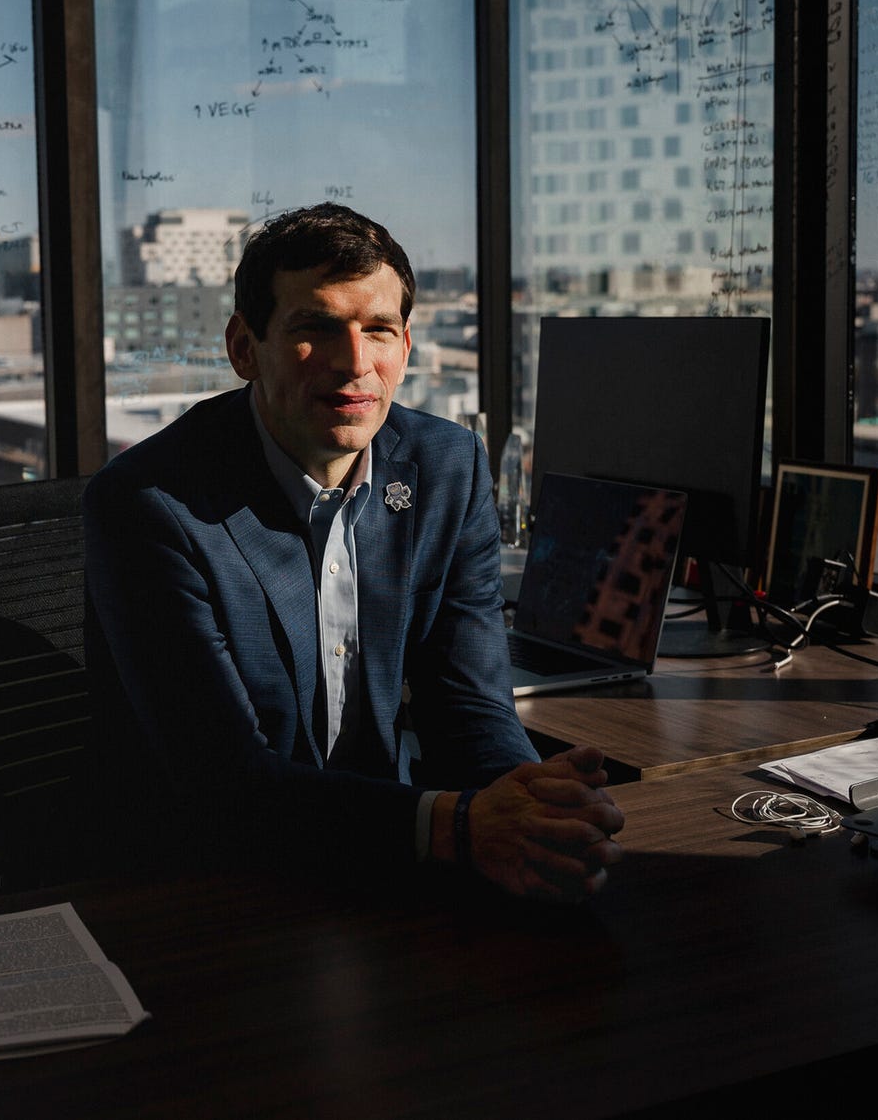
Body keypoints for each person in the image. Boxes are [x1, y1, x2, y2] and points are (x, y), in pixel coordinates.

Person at [84, 203, 624, 900]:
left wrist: (531, 807)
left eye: (378, 330)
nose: (354, 362)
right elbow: (225, 783)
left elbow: (470, 703)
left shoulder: (448, 469)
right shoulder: (151, 505)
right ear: (244, 348)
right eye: (314, 328)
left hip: (390, 859)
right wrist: (459, 826)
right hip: (204, 888)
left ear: (406, 345)